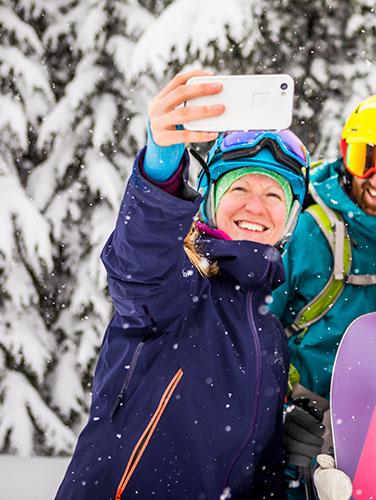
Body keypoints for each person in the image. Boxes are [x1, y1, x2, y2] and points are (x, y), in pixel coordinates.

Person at [55, 71, 309, 499]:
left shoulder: (270, 335)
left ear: (290, 219)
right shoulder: (180, 287)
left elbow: (257, 473)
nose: (255, 206)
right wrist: (162, 170)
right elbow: (138, 267)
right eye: (240, 186)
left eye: (275, 197)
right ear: (208, 198)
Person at [269, 92, 376, 483]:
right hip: (304, 429)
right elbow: (254, 324)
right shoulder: (309, 231)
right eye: (365, 159)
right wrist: (279, 408)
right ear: (346, 158)